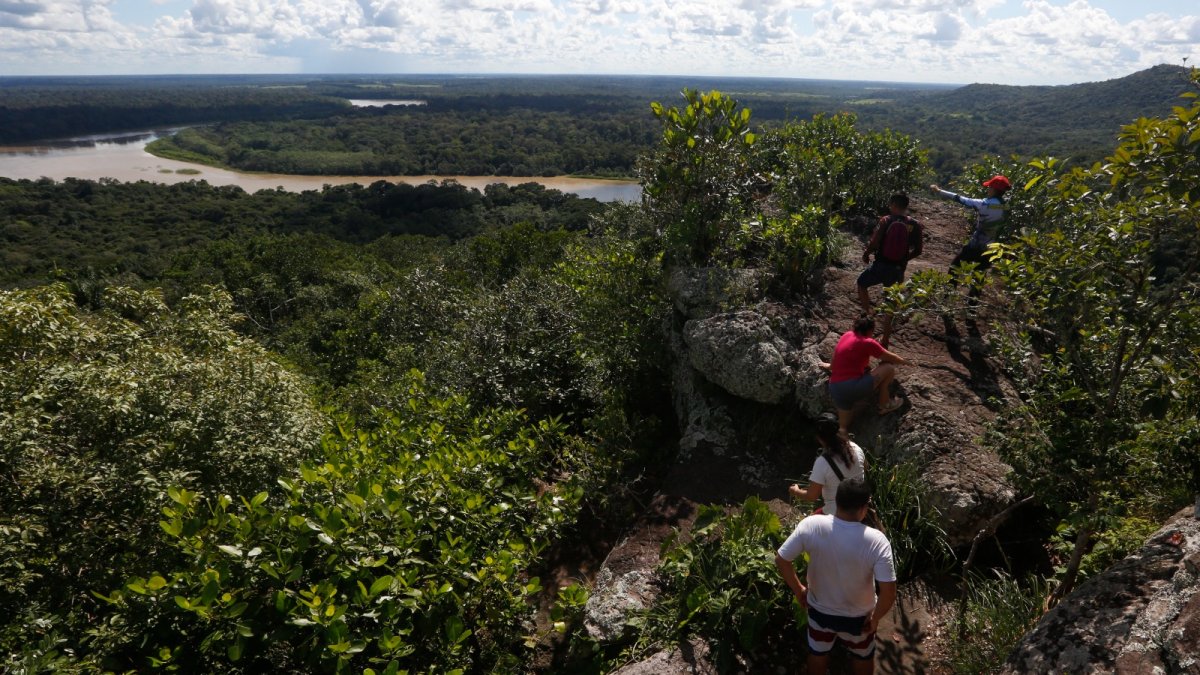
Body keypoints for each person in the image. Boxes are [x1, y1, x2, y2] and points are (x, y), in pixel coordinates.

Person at [775, 478, 897, 675]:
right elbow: (889, 593)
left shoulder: (812, 525)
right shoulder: (877, 541)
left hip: (819, 611)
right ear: (864, 508)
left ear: (837, 501)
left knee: (818, 652)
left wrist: (799, 591)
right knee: (863, 655)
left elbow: (781, 560)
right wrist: (874, 620)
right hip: (859, 619)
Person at [929, 175, 1011, 308]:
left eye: (990, 187)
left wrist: (939, 191)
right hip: (990, 248)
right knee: (979, 277)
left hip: (975, 245)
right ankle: (971, 308)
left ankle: (946, 299)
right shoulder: (1005, 206)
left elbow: (961, 199)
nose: (988, 189)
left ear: (994, 189)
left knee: (955, 267)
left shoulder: (985, 204)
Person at [826, 316, 911, 438]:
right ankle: (884, 404)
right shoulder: (868, 342)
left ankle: (837, 446)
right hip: (852, 388)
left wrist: (829, 366)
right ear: (870, 330)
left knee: (843, 427)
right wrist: (905, 362)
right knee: (889, 368)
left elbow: (835, 358)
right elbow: (889, 357)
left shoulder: (847, 335)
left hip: (835, 387)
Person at [856, 194, 923, 318]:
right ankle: (886, 337)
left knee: (861, 283)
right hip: (898, 269)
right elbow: (918, 250)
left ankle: (867, 315)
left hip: (881, 264)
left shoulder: (886, 220)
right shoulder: (915, 225)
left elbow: (875, 242)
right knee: (891, 302)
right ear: (906, 206)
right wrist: (904, 258)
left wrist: (866, 254)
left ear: (893, 205)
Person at [789, 414, 867, 513]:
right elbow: (865, 467)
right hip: (861, 508)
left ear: (819, 438)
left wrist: (795, 491)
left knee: (809, 525)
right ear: (838, 430)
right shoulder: (855, 448)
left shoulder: (822, 462)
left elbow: (811, 496)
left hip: (837, 513)